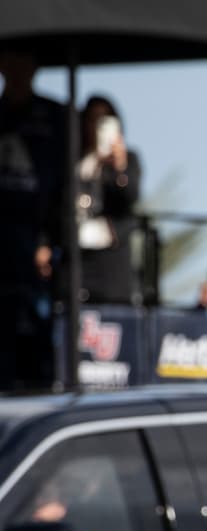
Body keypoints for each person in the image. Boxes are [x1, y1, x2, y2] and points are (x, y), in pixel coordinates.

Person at [0, 48, 64, 392]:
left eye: (25, 62)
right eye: (10, 62)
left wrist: (49, 241)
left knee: (38, 327)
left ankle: (40, 382)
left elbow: (66, 187)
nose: (18, 70)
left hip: (38, 243)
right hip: (4, 244)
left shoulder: (53, 116)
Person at [77, 95, 141, 304]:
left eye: (105, 120)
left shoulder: (128, 161)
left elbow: (129, 197)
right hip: (76, 270)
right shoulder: (75, 161)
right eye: (93, 119)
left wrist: (119, 168)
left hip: (111, 276)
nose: (98, 126)